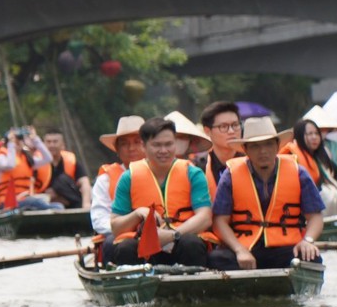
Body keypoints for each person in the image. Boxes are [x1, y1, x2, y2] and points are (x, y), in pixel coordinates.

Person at [210, 116, 325, 270]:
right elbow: (220, 220)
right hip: (246, 248)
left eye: (268, 144)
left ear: (277, 145)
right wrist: (239, 249)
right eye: (255, 146)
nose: (263, 151)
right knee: (216, 259)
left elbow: (315, 216)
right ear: (246, 149)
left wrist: (308, 241)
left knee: (312, 257)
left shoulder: (298, 172)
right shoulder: (230, 175)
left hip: (287, 247)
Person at [106, 118, 214, 267]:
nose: (164, 150)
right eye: (156, 145)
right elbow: (116, 227)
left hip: (180, 241)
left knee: (192, 243)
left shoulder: (193, 173)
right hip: (145, 245)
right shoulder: (128, 177)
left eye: (168, 144)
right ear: (143, 146)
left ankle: (190, 288)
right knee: (126, 248)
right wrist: (138, 213)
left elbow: (205, 217)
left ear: (175, 143)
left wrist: (173, 235)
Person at [89, 116, 145, 244]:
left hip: (157, 233)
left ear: (148, 145)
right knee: (112, 243)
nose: (131, 148)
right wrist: (127, 228)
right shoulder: (105, 179)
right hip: (119, 236)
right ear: (117, 150)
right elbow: (99, 219)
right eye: (124, 144)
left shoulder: (160, 173)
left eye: (137, 142)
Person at [197, 101, 245, 174]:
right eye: (224, 126)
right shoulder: (199, 167)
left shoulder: (252, 163)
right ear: (207, 131)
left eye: (235, 125)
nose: (231, 131)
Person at [42, 130, 86, 209]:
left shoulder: (71, 161)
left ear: (63, 145)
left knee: (62, 180)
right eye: (48, 142)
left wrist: (86, 204)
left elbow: (84, 181)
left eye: (55, 142)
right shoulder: (37, 163)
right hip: (45, 201)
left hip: (70, 200)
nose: (51, 145)